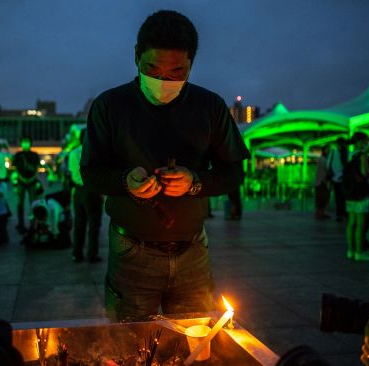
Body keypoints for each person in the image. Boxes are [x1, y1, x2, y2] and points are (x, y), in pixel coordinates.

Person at [80, 10, 249, 321]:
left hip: (193, 251)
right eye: (152, 70)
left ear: (191, 66)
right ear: (136, 57)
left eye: (176, 74)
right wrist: (124, 182)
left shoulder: (209, 107)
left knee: (193, 346)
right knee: (127, 346)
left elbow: (234, 171)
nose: (163, 82)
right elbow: (90, 172)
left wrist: (195, 182)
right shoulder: (110, 106)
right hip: (131, 250)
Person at [68, 129, 104, 263]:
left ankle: (77, 253)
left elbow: (72, 172)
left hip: (78, 191)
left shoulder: (73, 153)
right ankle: (92, 254)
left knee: (79, 223)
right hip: (91, 190)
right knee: (94, 224)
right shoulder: (94, 152)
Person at [343, 132, 369, 261]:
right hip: (361, 193)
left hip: (350, 192)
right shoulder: (363, 155)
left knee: (351, 222)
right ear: (363, 142)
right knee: (360, 223)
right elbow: (364, 173)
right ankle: (359, 252)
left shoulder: (350, 155)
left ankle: (350, 251)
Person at [12, 136, 41, 234]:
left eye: (27, 142)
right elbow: (15, 168)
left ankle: (34, 223)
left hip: (32, 182)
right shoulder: (18, 155)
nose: (25, 144)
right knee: (20, 204)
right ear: (21, 143)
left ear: (30, 143)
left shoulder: (34, 154)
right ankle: (21, 224)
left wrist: (33, 178)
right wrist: (21, 178)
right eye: (23, 142)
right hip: (21, 182)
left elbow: (37, 168)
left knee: (33, 203)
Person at [327, 138, 348, 221]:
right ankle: (341, 213)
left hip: (340, 178)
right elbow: (328, 165)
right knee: (340, 196)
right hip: (337, 178)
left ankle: (340, 213)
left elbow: (328, 164)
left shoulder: (341, 152)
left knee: (339, 196)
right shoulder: (335, 152)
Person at [314, 145, 331, 220]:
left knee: (320, 198)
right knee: (322, 198)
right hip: (322, 181)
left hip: (319, 181)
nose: (329, 151)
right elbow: (325, 170)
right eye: (328, 150)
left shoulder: (321, 159)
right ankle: (321, 212)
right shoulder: (323, 160)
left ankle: (320, 212)